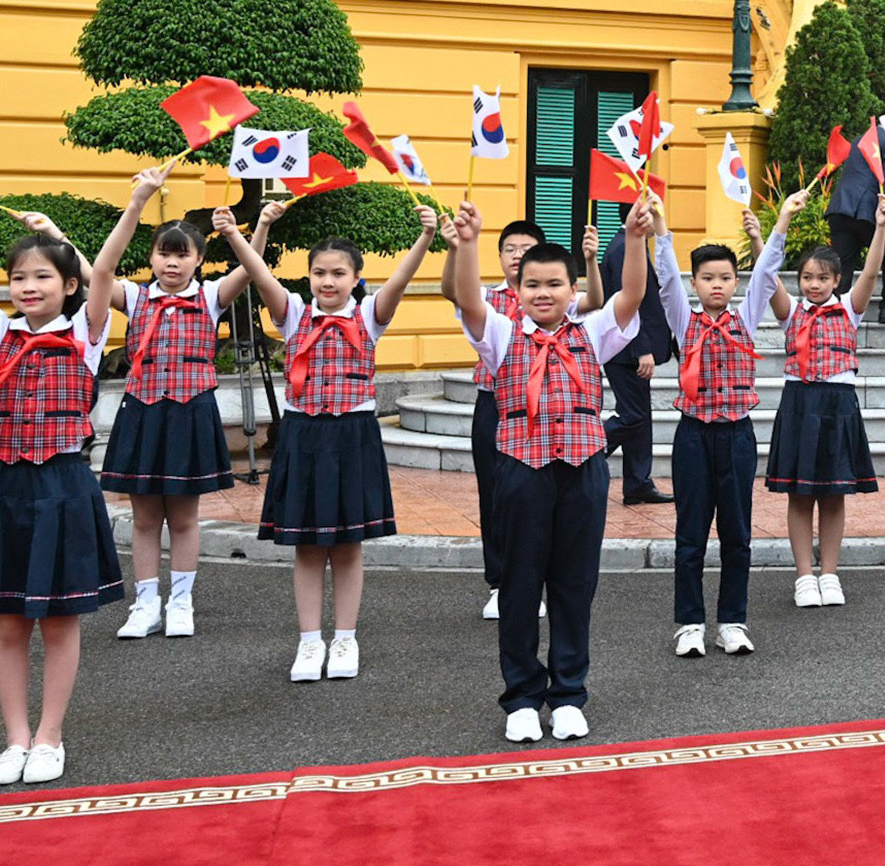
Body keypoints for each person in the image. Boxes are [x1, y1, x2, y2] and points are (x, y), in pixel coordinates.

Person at [447, 197, 650, 743]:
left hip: (583, 469)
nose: (543, 293)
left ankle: (567, 693)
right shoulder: (503, 334)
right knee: (519, 583)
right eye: (532, 284)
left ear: (572, 290)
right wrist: (466, 243)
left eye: (554, 284)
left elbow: (631, 295)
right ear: (517, 290)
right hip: (520, 468)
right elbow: (467, 299)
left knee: (574, 583)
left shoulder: (593, 331)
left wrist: (634, 239)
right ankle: (520, 695)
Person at [216, 200, 435, 682]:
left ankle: (345, 639)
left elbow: (398, 280)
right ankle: (309, 641)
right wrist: (245, 232)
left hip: (353, 435)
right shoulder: (293, 313)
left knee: (349, 544)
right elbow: (257, 273)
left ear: (356, 277)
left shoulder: (370, 316)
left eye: (339, 273)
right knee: (308, 546)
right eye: (319, 273)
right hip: (304, 435)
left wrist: (425, 237)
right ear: (309, 277)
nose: (328, 281)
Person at [92, 167, 272, 641]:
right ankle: (145, 602)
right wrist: (137, 202)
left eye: (182, 255)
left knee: (185, 516)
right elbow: (100, 271)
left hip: (191, 412)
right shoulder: (135, 295)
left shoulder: (211, 296)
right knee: (146, 517)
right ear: (151, 257)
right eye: (163, 254)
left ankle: (181, 600)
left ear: (198, 259)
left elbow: (251, 269)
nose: (171, 264)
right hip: (144, 412)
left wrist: (258, 228)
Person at [0, 228, 124, 786]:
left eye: (42, 276)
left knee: (57, 620)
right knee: (6, 623)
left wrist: (140, 203)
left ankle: (50, 735)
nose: (28, 286)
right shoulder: (1, 334)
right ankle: (16, 738)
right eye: (18, 277)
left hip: (63, 483)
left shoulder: (85, 335)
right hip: (5, 486)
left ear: (69, 285)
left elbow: (104, 271)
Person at [656, 191, 796, 658]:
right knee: (690, 534)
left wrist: (778, 224)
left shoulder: (746, 316)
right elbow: (664, 282)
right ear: (693, 282)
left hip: (737, 433)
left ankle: (732, 621)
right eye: (707, 278)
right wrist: (660, 230)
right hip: (693, 434)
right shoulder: (683, 319)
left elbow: (768, 273)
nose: (717, 285)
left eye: (725, 278)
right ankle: (690, 624)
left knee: (737, 534)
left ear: (737, 282)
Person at [442, 218, 602, 619]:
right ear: (500, 258)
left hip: (554, 412)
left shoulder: (556, 299)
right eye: (509, 248)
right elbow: (455, 293)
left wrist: (590, 260)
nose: (516, 254)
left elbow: (596, 303)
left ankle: (542, 581)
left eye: (524, 248)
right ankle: (500, 580)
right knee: (495, 494)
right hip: (496, 402)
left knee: (546, 502)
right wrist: (460, 246)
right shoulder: (489, 296)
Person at [747, 194, 885, 609]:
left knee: (834, 494)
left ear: (837, 281)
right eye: (808, 277)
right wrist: (762, 237)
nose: (814, 284)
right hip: (800, 402)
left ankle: (830, 572)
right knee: (799, 494)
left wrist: (880, 228)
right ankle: (803, 577)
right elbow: (766, 276)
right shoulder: (790, 312)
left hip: (839, 403)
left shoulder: (850, 308)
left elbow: (873, 271)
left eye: (823, 278)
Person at [601, 225, 677, 507]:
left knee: (640, 418)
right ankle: (586, 455)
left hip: (629, 350)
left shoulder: (628, 243)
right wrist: (641, 347)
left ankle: (638, 484)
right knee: (633, 416)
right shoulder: (624, 248)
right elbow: (629, 300)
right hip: (627, 351)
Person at [826, 118, 885, 323]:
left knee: (842, 263)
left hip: (841, 208)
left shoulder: (861, 139)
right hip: (869, 210)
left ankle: (836, 312)